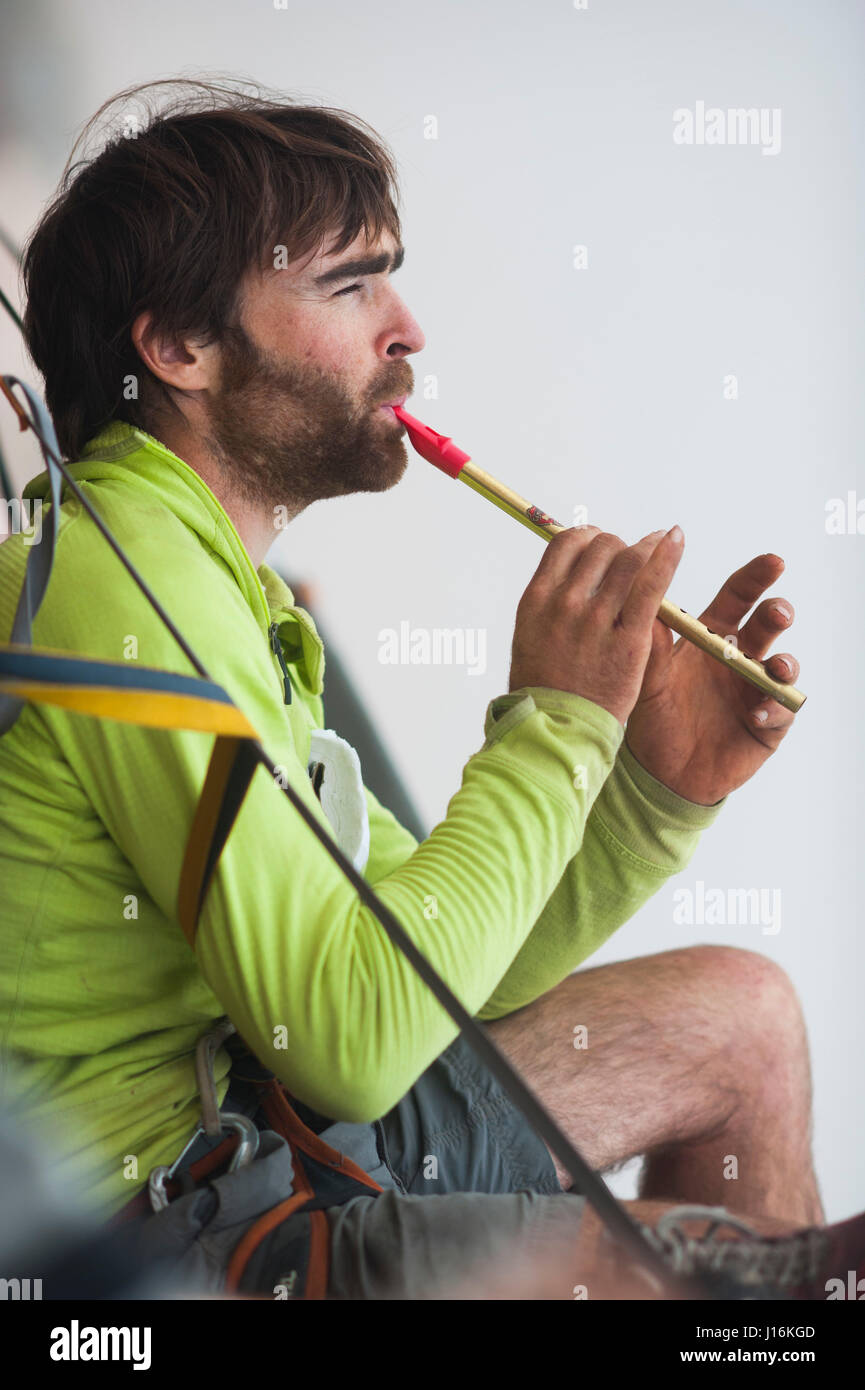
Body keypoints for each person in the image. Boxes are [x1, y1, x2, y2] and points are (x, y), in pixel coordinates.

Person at [0, 78, 852, 1301]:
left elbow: (446, 987)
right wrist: (559, 725)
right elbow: (349, 1043)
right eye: (347, 285)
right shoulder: (113, 575)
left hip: (272, 1127)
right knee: (659, 1282)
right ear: (177, 346)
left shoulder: (227, 588)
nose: (406, 329)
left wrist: (646, 790)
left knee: (745, 1015)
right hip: (158, 1223)